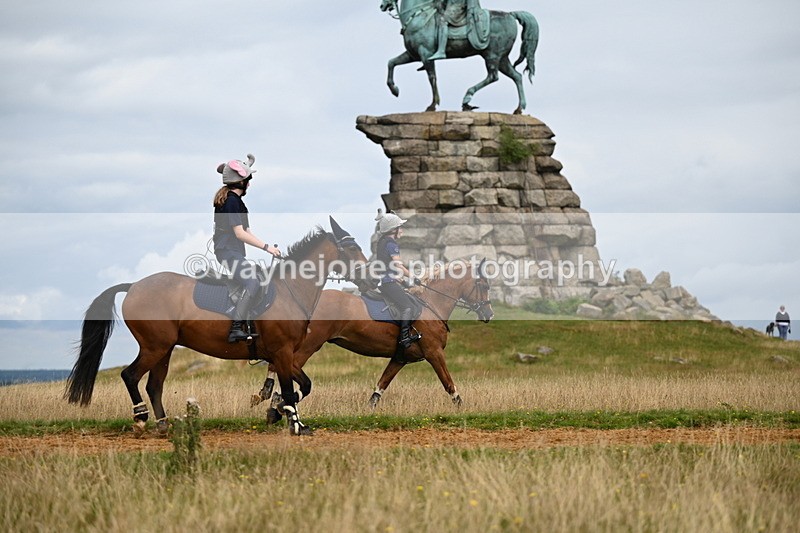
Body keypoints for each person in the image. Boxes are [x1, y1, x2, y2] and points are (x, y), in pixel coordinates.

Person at [213, 154, 281, 343]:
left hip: (233, 252)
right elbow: (240, 234)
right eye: (247, 180)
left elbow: (248, 232)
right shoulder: (231, 202)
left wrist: (269, 249)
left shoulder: (238, 202)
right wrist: (267, 248)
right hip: (227, 251)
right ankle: (236, 327)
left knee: (257, 278)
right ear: (240, 182)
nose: (249, 185)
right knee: (252, 283)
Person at [374, 210, 422, 351]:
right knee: (408, 306)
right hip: (389, 283)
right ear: (393, 230)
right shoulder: (392, 244)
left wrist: (401, 280)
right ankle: (404, 338)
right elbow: (397, 265)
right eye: (399, 227)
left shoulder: (382, 242)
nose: (402, 230)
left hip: (388, 281)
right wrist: (412, 277)